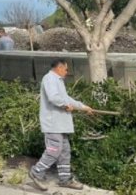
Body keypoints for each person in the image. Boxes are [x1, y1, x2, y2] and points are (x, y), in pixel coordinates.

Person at [28, 59, 93, 191]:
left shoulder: (58, 81)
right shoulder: (50, 79)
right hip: (53, 124)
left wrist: (83, 107)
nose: (67, 72)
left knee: (64, 152)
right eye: (66, 69)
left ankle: (65, 179)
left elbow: (66, 99)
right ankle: (36, 172)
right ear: (59, 67)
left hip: (60, 125)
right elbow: (53, 97)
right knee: (54, 151)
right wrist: (64, 105)